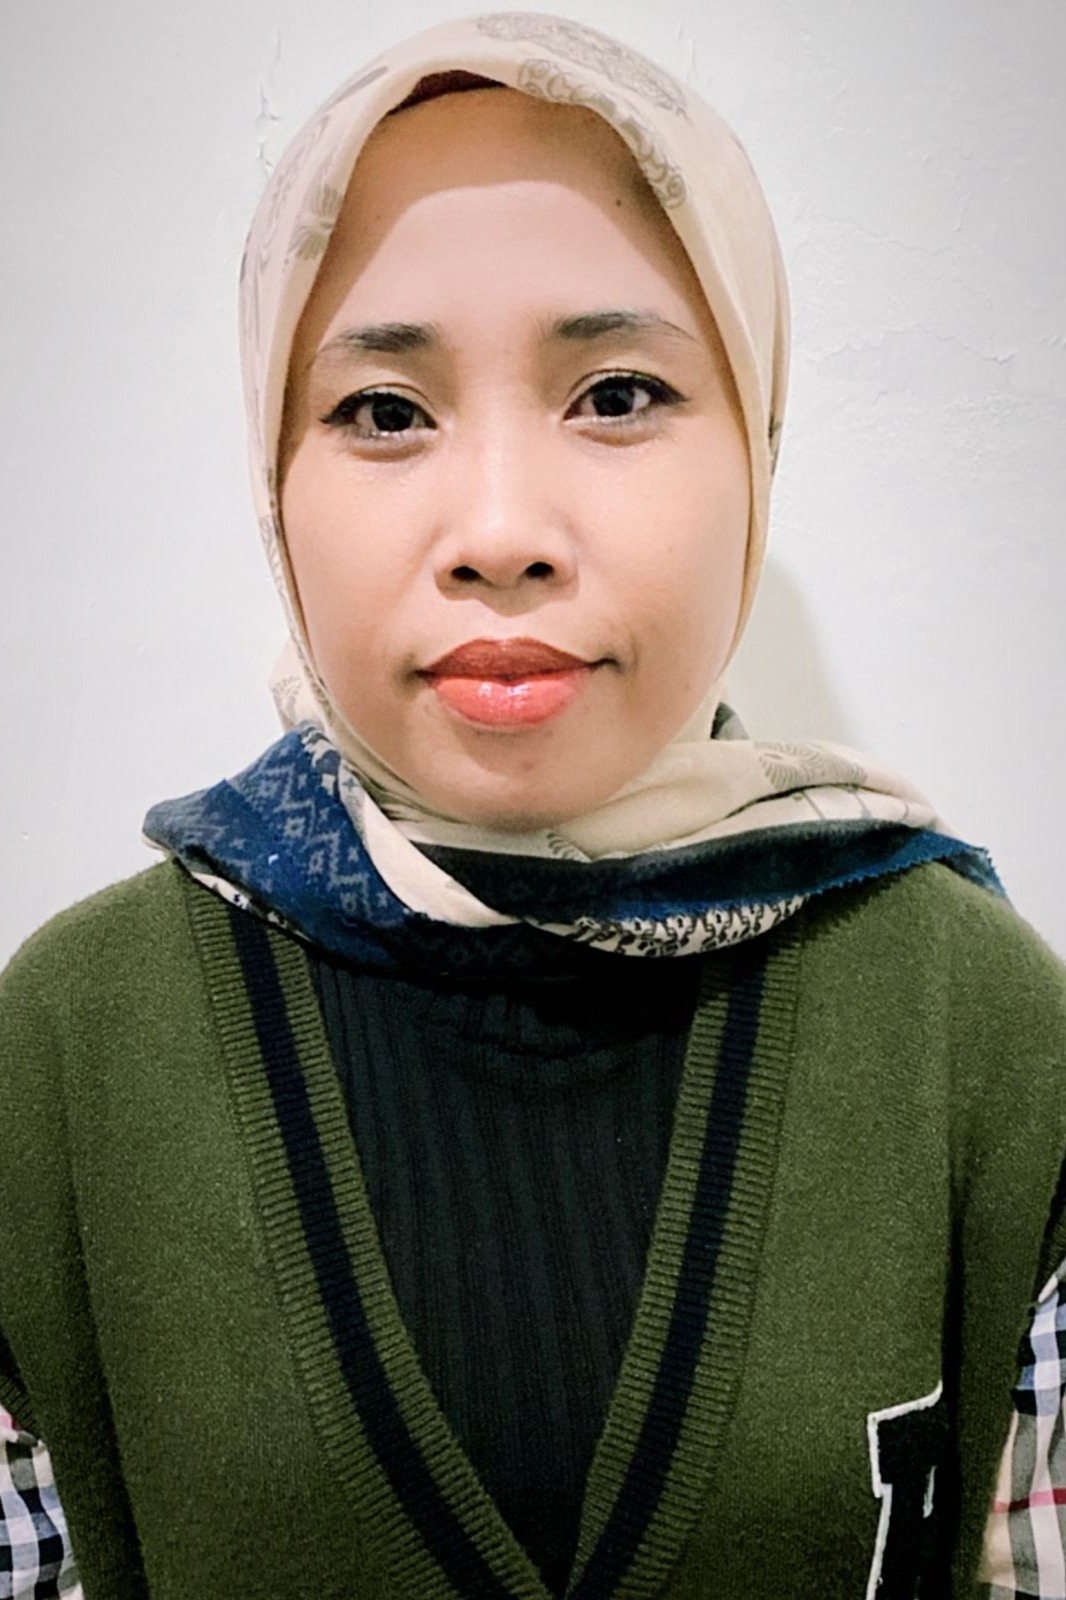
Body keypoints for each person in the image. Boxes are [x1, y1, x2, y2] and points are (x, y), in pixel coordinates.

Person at [1, 13, 1063, 1598]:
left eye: (619, 393)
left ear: (758, 445)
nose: (500, 531)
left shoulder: (980, 1034)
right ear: (272, 479)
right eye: (383, 412)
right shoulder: (61, 1058)